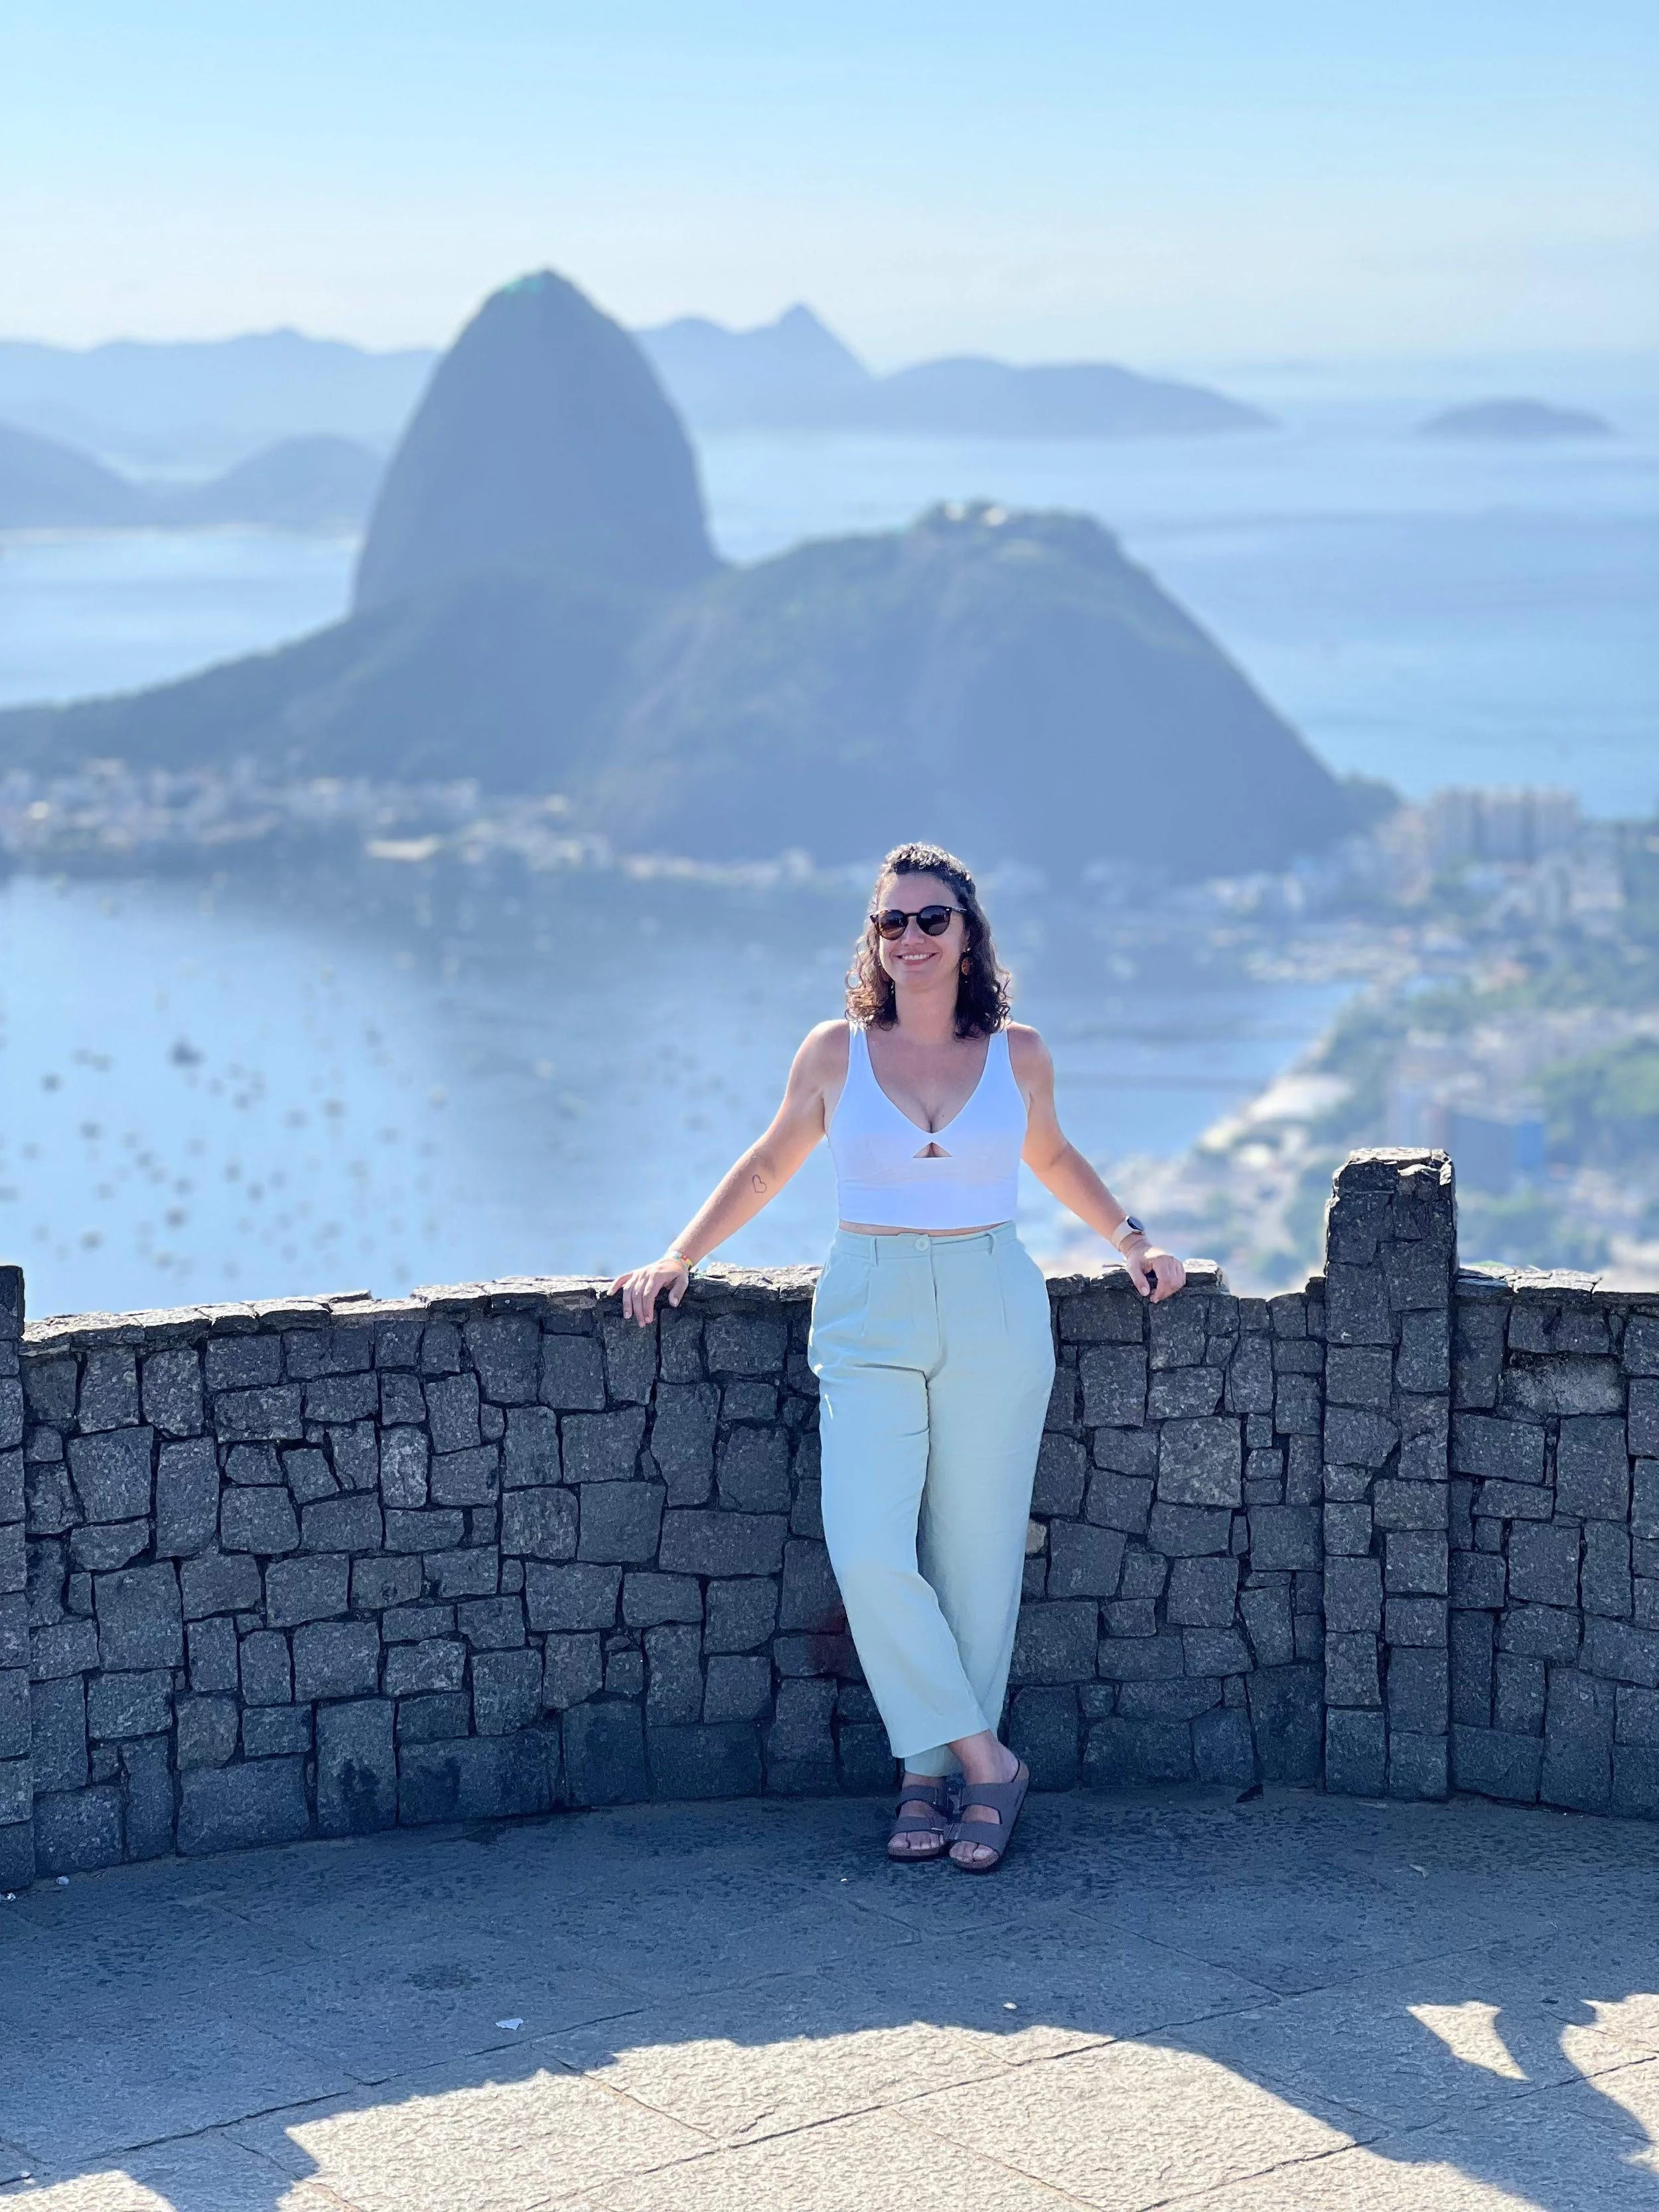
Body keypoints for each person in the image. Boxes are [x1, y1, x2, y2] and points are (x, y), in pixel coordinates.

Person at [613, 842, 1187, 1871]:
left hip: (993, 1303)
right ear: (873, 940)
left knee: (974, 1562)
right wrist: (678, 1255)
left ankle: (927, 1777)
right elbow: (767, 1163)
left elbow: (1049, 1155)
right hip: (869, 1305)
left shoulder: (1021, 1054)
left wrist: (1133, 1238)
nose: (911, 938)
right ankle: (987, 1763)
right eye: (892, 923)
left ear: (968, 935)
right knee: (871, 1547)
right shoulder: (834, 1052)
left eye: (932, 919)